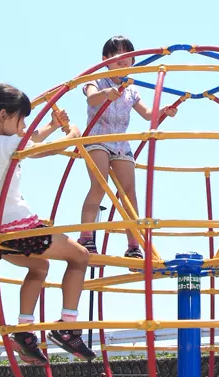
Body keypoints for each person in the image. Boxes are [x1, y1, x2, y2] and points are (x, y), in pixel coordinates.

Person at [0, 83, 95, 365]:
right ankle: (68, 327)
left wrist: (52, 125)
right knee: (80, 257)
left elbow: (26, 139)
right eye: (22, 119)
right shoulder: (8, 143)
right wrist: (72, 133)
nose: (25, 126)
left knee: (40, 266)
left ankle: (24, 331)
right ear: (4, 115)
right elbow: (44, 149)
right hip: (16, 229)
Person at [78, 35, 178, 258]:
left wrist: (164, 111)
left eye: (128, 55)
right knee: (99, 184)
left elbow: (148, 114)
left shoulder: (132, 89)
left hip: (121, 143)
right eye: (117, 55)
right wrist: (106, 94)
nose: (123, 60)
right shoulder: (97, 80)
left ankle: (133, 245)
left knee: (129, 193)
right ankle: (86, 237)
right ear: (105, 60)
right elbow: (91, 99)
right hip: (98, 139)